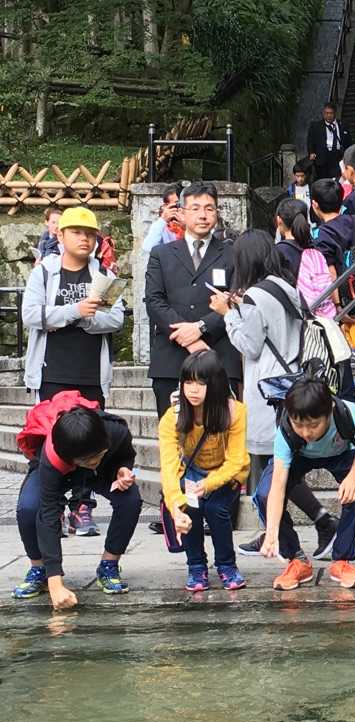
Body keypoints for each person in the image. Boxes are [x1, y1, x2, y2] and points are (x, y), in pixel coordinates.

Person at [214, 229, 341, 559]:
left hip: (267, 390)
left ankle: (297, 537)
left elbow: (250, 345)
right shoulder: (286, 287)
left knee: (268, 472)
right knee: (278, 464)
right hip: (290, 386)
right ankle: (287, 526)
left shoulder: (256, 294)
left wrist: (228, 315)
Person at [22, 206, 126, 537]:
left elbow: (115, 319)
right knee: (49, 442)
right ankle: (47, 504)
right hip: (51, 373)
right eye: (77, 232)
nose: (84, 238)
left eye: (90, 233)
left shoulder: (104, 275)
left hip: (90, 375)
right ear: (61, 235)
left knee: (90, 442)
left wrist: (80, 317)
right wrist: (72, 310)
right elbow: (31, 314)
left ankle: (83, 506)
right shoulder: (44, 272)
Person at [12, 405, 141, 607]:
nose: (92, 461)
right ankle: (40, 569)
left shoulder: (115, 430)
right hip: (62, 473)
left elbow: (125, 454)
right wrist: (56, 582)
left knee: (130, 500)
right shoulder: (52, 457)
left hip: (103, 473)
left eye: (96, 455)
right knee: (29, 507)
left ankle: (109, 563)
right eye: (86, 460)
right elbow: (48, 514)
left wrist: (123, 469)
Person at [255, 377, 355, 590]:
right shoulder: (287, 432)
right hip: (299, 455)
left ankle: (342, 560)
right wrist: (271, 531)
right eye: (299, 424)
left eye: (313, 425)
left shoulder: (351, 416)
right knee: (263, 494)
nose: (306, 432)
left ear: (328, 411)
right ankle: (297, 560)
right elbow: (278, 486)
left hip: (342, 454)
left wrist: (353, 476)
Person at [144, 181, 241, 419]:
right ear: (182, 214)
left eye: (210, 208)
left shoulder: (233, 254)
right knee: (173, 439)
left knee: (223, 436)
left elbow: (236, 300)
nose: (203, 215)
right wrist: (188, 339)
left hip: (219, 356)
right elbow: (154, 301)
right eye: (195, 208)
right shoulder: (162, 254)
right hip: (171, 359)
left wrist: (201, 327)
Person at [158, 350, 249, 592]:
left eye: (201, 383)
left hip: (226, 474)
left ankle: (227, 565)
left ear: (216, 384)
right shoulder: (172, 417)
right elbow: (168, 467)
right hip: (192, 472)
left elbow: (236, 460)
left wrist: (209, 484)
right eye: (188, 382)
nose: (193, 390)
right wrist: (176, 505)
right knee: (191, 510)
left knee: (217, 509)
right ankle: (196, 566)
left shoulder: (234, 411)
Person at [311, 178, 355, 308]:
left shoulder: (320, 234)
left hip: (344, 302)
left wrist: (337, 306)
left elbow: (330, 273)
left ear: (315, 204)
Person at [307, 103, 351, 181]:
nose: (328, 115)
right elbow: (310, 140)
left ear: (335, 113)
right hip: (323, 157)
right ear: (323, 113)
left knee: (338, 180)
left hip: (338, 156)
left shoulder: (343, 125)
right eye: (326, 113)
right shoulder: (316, 126)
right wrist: (311, 152)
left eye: (331, 113)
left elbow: (348, 141)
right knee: (323, 181)